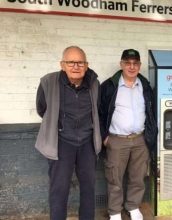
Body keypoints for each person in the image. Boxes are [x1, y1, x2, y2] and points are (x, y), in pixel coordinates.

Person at [35, 46, 102, 220]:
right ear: (62, 64)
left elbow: (98, 110)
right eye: (70, 62)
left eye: (80, 62)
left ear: (86, 65)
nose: (75, 66)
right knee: (59, 190)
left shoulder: (94, 83)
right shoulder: (48, 82)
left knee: (89, 188)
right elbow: (42, 109)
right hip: (61, 142)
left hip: (87, 143)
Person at [99, 49, 157, 220]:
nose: (131, 67)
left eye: (135, 63)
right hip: (117, 140)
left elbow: (151, 112)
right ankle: (115, 211)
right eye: (128, 63)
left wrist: (150, 135)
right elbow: (99, 112)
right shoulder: (109, 86)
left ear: (139, 65)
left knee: (138, 177)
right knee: (114, 178)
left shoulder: (144, 86)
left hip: (140, 139)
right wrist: (105, 137)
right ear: (121, 64)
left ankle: (132, 206)